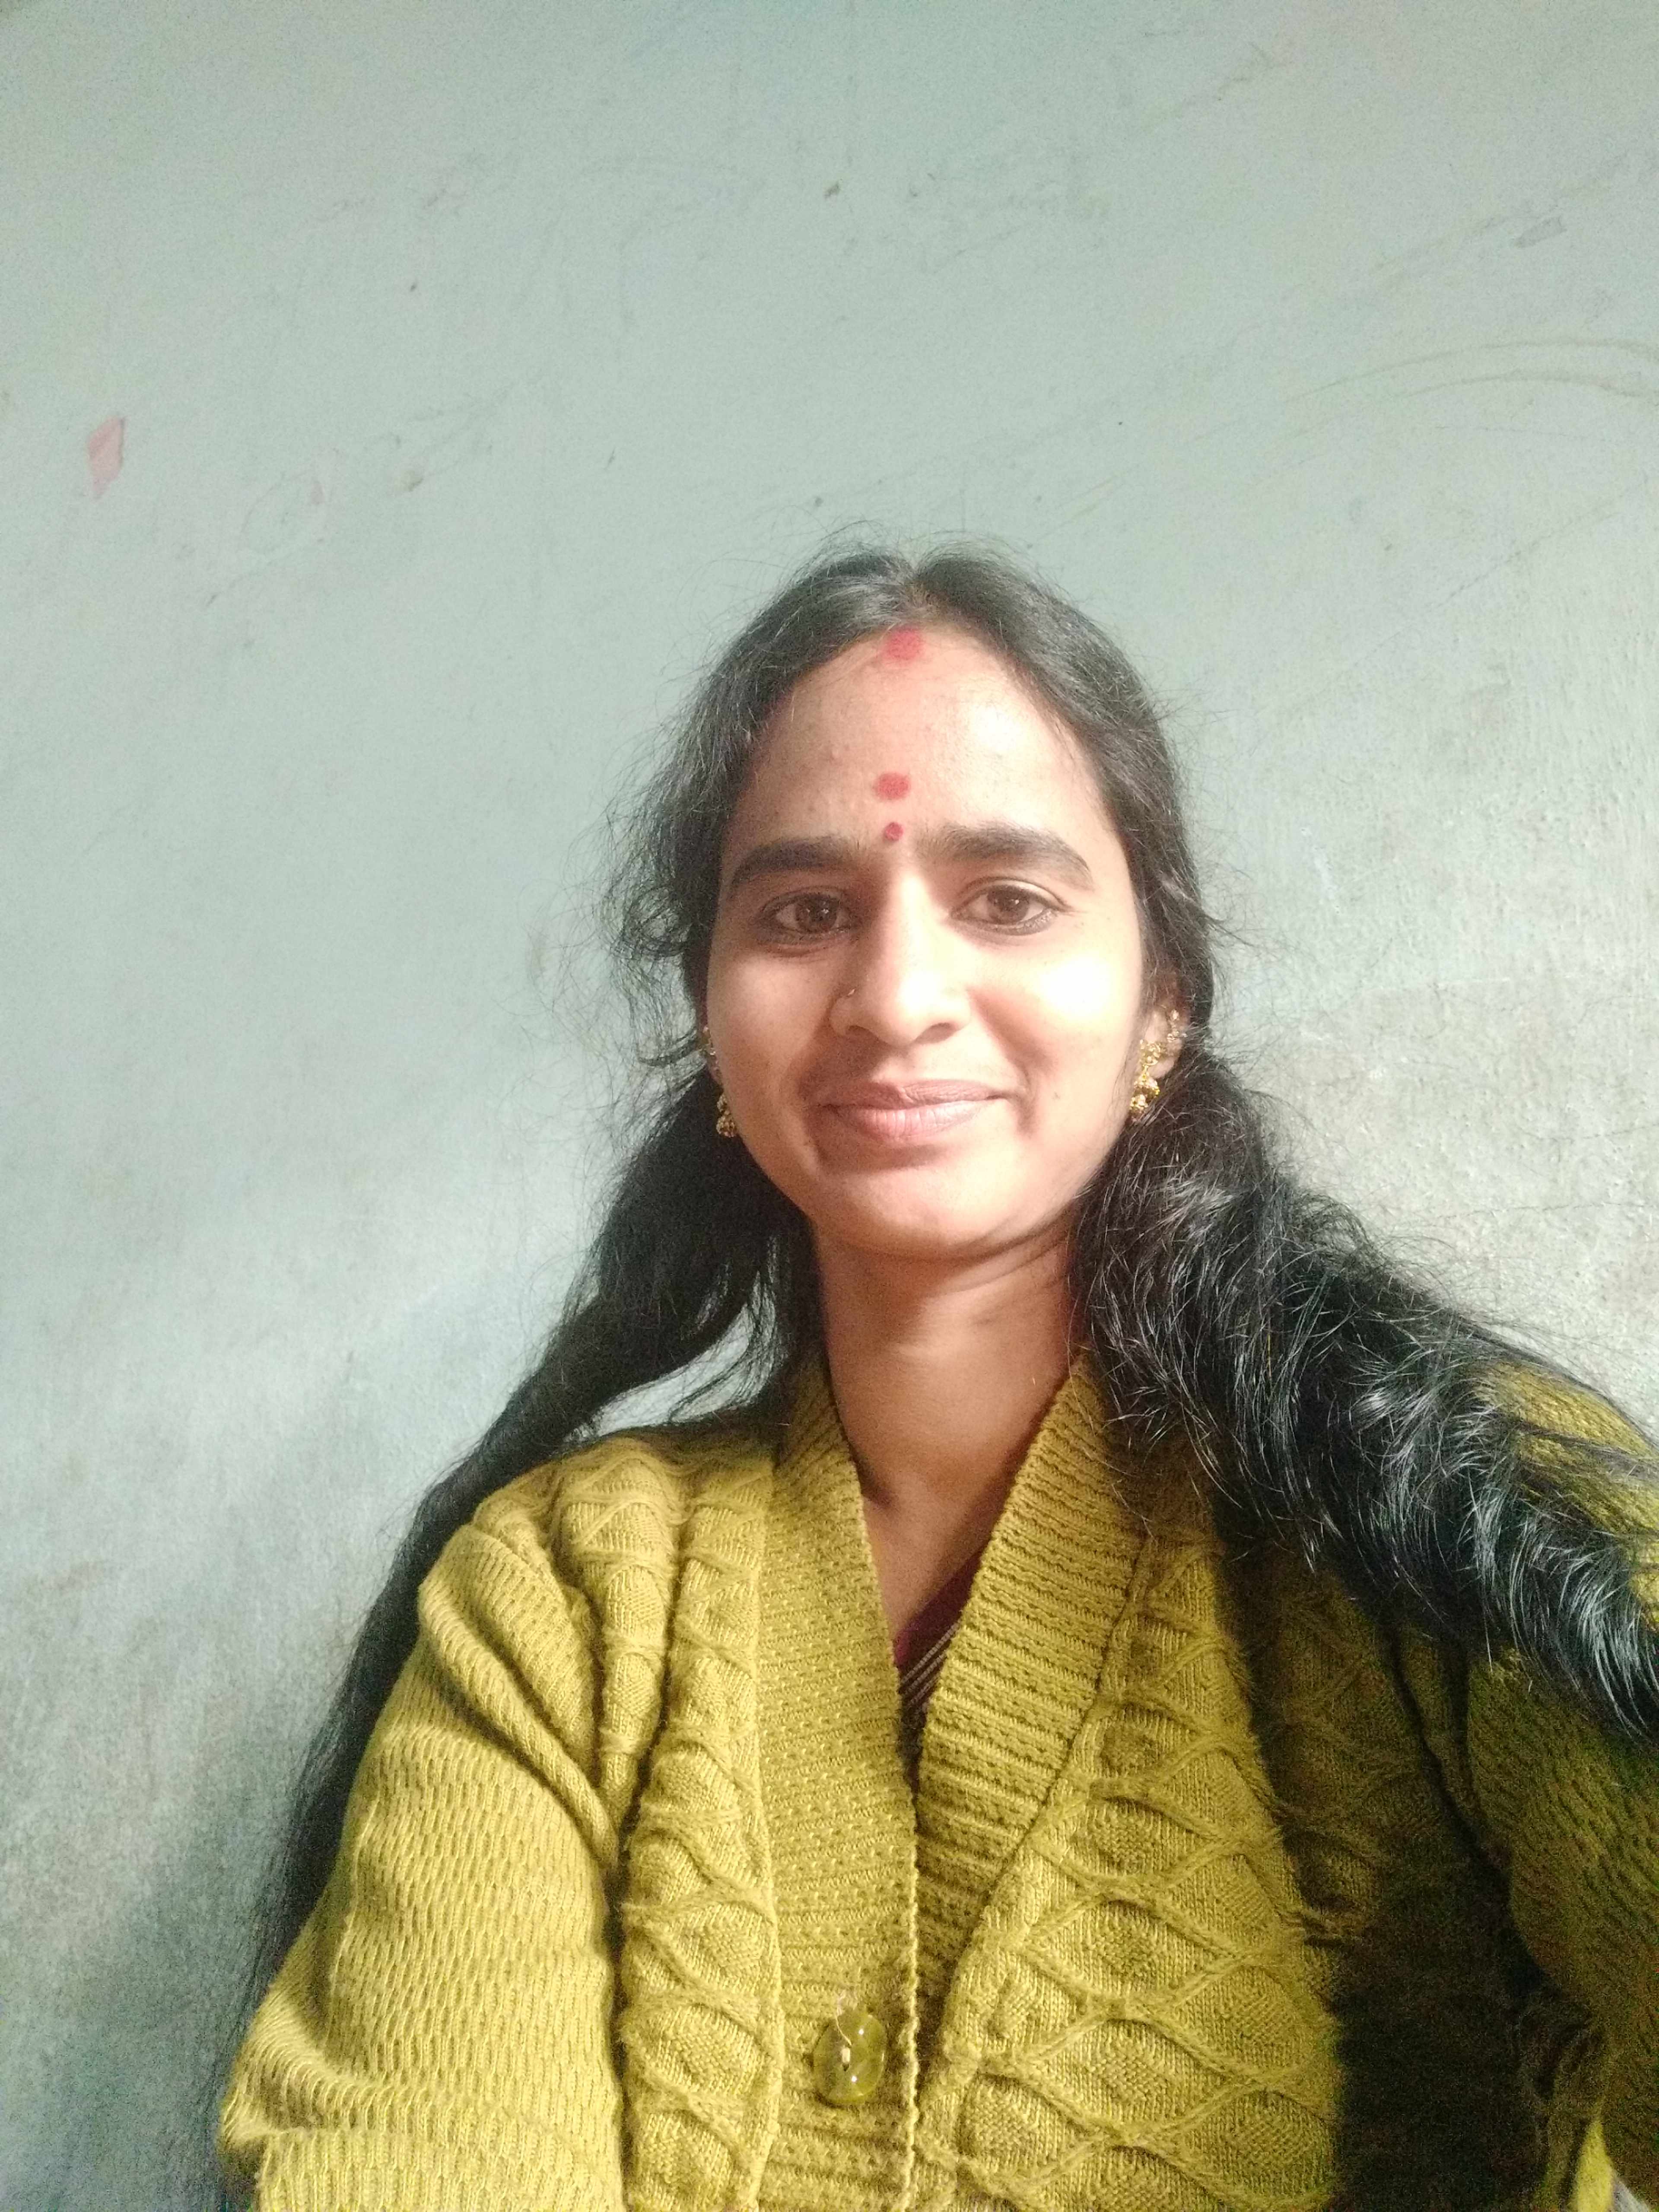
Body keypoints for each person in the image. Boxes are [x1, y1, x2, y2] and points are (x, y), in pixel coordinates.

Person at [218, 546, 1659, 2212]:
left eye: (1010, 900)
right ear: (711, 1024)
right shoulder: (560, 1598)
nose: (898, 1000)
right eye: (803, 913)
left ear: (1162, 1003)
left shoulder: (1440, 1499)